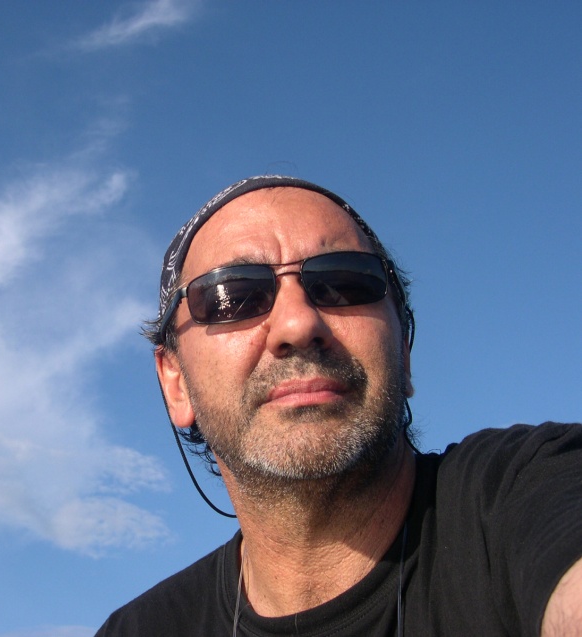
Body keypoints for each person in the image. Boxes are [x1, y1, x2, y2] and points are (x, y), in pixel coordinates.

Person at [95, 175, 582, 636]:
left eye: (345, 282)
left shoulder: (528, 488)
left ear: (404, 350)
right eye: (233, 295)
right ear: (175, 382)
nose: (298, 324)